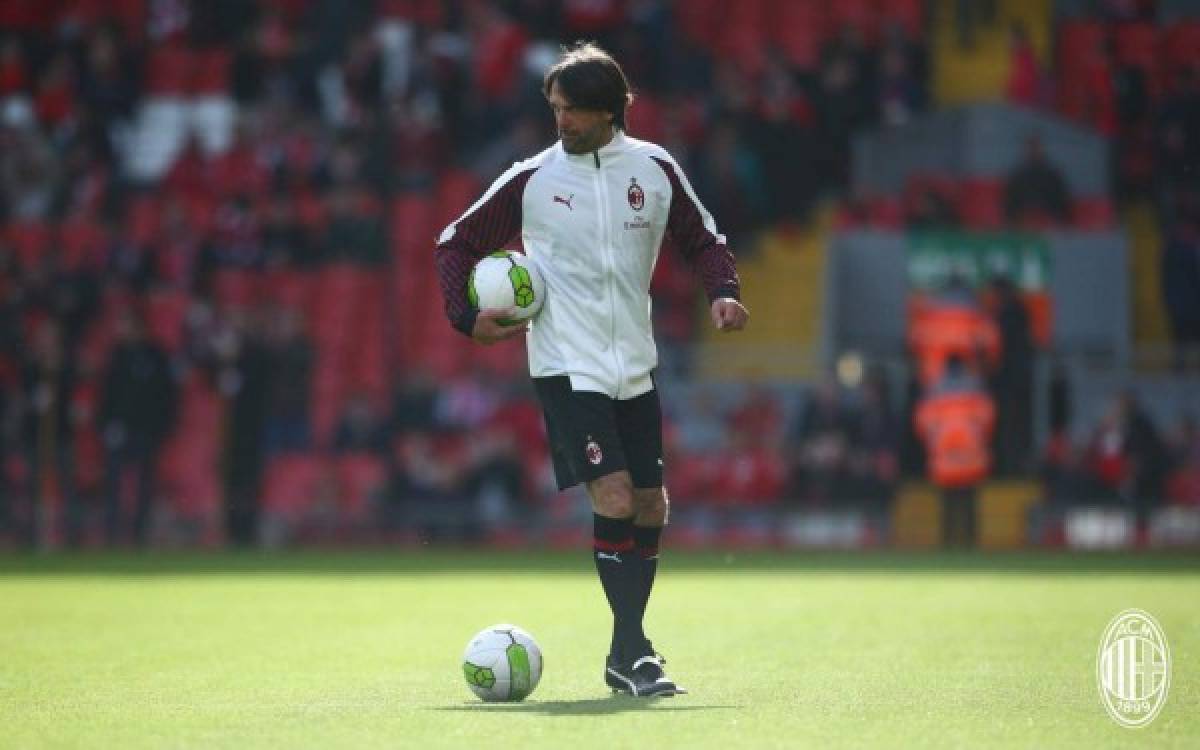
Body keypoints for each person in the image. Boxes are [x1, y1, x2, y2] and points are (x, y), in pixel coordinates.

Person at [434, 42, 748, 697]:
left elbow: (704, 240)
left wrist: (723, 292)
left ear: (611, 111)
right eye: (555, 108)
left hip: (636, 362)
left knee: (650, 504)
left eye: (573, 110)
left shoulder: (655, 169)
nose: (562, 121)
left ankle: (623, 654)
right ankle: (634, 652)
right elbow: (455, 242)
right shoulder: (533, 179)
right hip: (565, 363)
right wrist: (467, 318)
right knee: (611, 496)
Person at [913, 355, 995, 548]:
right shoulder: (975, 387)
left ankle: (947, 542)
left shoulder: (935, 388)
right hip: (972, 456)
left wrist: (933, 442)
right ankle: (971, 542)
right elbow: (988, 420)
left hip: (943, 457)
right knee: (969, 504)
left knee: (947, 505)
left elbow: (923, 422)